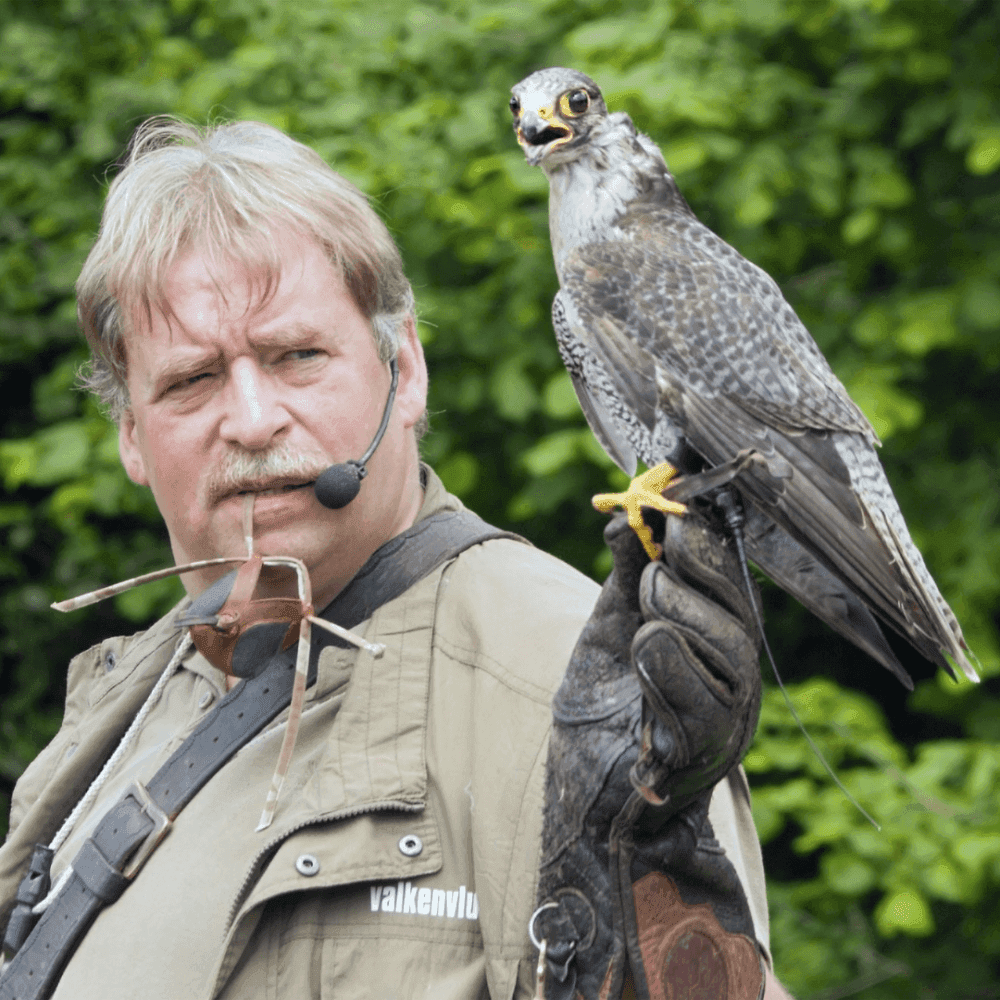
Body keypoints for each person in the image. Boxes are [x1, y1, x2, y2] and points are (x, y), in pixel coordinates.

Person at [0, 118, 791, 999]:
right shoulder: (120, 716)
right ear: (132, 437)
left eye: (296, 356)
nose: (252, 418)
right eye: (192, 380)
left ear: (405, 369)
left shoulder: (572, 689)